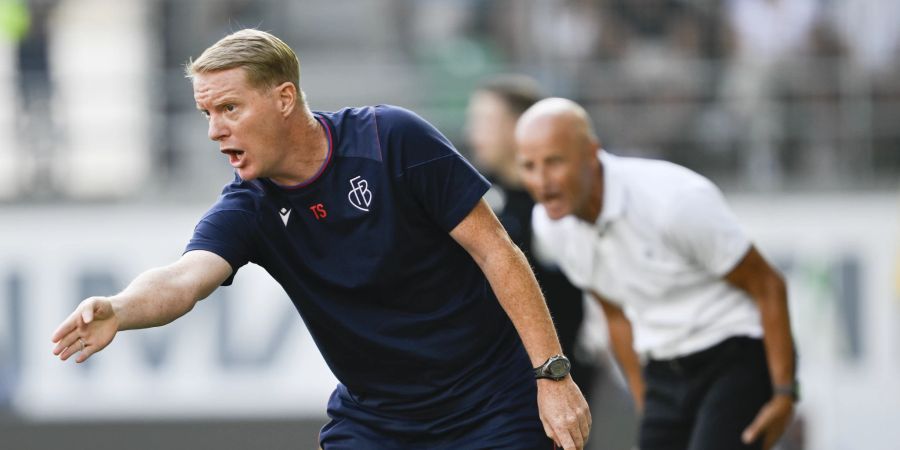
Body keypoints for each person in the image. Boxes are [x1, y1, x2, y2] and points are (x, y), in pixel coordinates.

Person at [50, 30, 590, 450]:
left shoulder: (392, 139)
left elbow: (497, 250)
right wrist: (120, 309)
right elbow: (185, 278)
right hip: (378, 420)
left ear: (284, 98)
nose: (214, 129)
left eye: (230, 108)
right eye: (206, 113)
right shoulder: (250, 205)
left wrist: (553, 374)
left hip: (490, 402)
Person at [514, 98, 797, 450]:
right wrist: (646, 405)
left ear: (591, 153)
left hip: (734, 356)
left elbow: (768, 284)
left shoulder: (671, 200)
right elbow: (615, 314)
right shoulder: (550, 226)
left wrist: (785, 394)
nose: (541, 181)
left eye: (554, 162)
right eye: (528, 166)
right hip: (663, 371)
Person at [464, 75, 596, 403]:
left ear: (519, 125)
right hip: (492, 373)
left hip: (560, 368)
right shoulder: (472, 196)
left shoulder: (562, 200)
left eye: (485, 121)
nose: (473, 133)